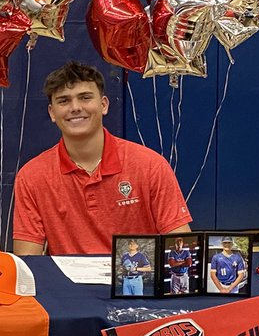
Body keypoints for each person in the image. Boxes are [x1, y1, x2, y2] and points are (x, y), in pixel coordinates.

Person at [13, 61, 192, 256]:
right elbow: (28, 262)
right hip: (66, 286)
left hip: (135, 283)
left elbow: (181, 245)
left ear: (104, 105)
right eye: (64, 101)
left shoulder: (150, 166)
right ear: (52, 112)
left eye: (85, 98)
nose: (75, 107)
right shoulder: (31, 176)